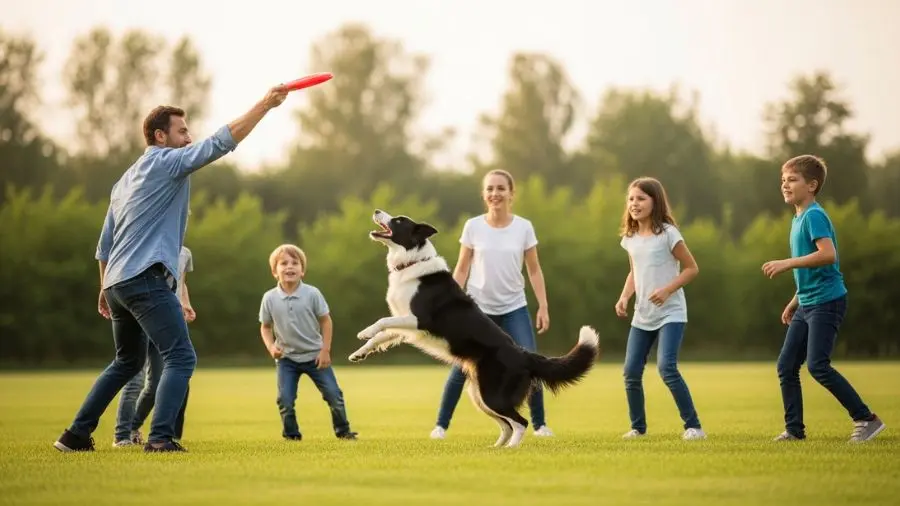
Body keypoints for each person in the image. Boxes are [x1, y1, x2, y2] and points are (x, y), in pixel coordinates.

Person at [53, 85, 289, 453]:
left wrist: (105, 287)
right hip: (145, 279)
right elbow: (221, 142)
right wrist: (265, 105)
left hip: (117, 282)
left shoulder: (124, 181)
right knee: (181, 356)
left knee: (126, 362)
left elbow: (104, 245)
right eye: (182, 131)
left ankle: (75, 435)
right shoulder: (166, 162)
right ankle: (161, 438)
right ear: (159, 136)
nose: (189, 136)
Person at [762, 154, 885, 443]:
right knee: (786, 366)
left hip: (827, 301)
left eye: (793, 179)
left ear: (812, 185)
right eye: (783, 180)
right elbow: (814, 269)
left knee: (818, 365)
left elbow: (828, 255)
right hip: (808, 302)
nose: (785, 185)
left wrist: (787, 263)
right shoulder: (798, 217)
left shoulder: (814, 215)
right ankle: (794, 430)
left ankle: (867, 419)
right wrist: (795, 301)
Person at [430, 169, 554, 440]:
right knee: (462, 367)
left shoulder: (524, 227)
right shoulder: (473, 226)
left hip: (514, 308)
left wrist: (543, 306)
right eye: (490, 189)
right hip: (478, 311)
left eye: (500, 188)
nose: (495, 194)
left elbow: (534, 270)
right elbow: (462, 268)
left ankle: (541, 425)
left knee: (530, 361)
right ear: (484, 194)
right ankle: (441, 425)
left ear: (511, 193)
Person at [614, 177, 706, 441]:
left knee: (667, 367)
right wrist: (624, 297)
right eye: (631, 199)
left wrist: (667, 289)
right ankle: (638, 428)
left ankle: (694, 427)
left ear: (655, 202)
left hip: (671, 313)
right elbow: (634, 272)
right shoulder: (630, 238)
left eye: (641, 198)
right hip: (642, 315)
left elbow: (692, 268)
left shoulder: (668, 233)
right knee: (631, 371)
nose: (634, 203)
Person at [259, 244, 358, 441]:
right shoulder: (269, 298)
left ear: (302, 270)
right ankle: (291, 435)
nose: (290, 267)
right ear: (274, 271)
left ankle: (343, 431)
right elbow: (266, 327)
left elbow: (326, 321)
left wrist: (325, 350)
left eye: (295, 263)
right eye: (284, 263)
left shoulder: (312, 294)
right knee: (285, 400)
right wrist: (271, 347)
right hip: (286, 359)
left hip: (315, 356)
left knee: (333, 395)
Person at [112, 245, 195, 447]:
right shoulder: (148, 244)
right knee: (134, 376)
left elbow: (181, 283)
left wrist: (185, 303)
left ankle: (140, 428)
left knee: (158, 381)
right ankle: (121, 436)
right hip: (142, 314)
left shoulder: (185, 253)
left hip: (169, 319)